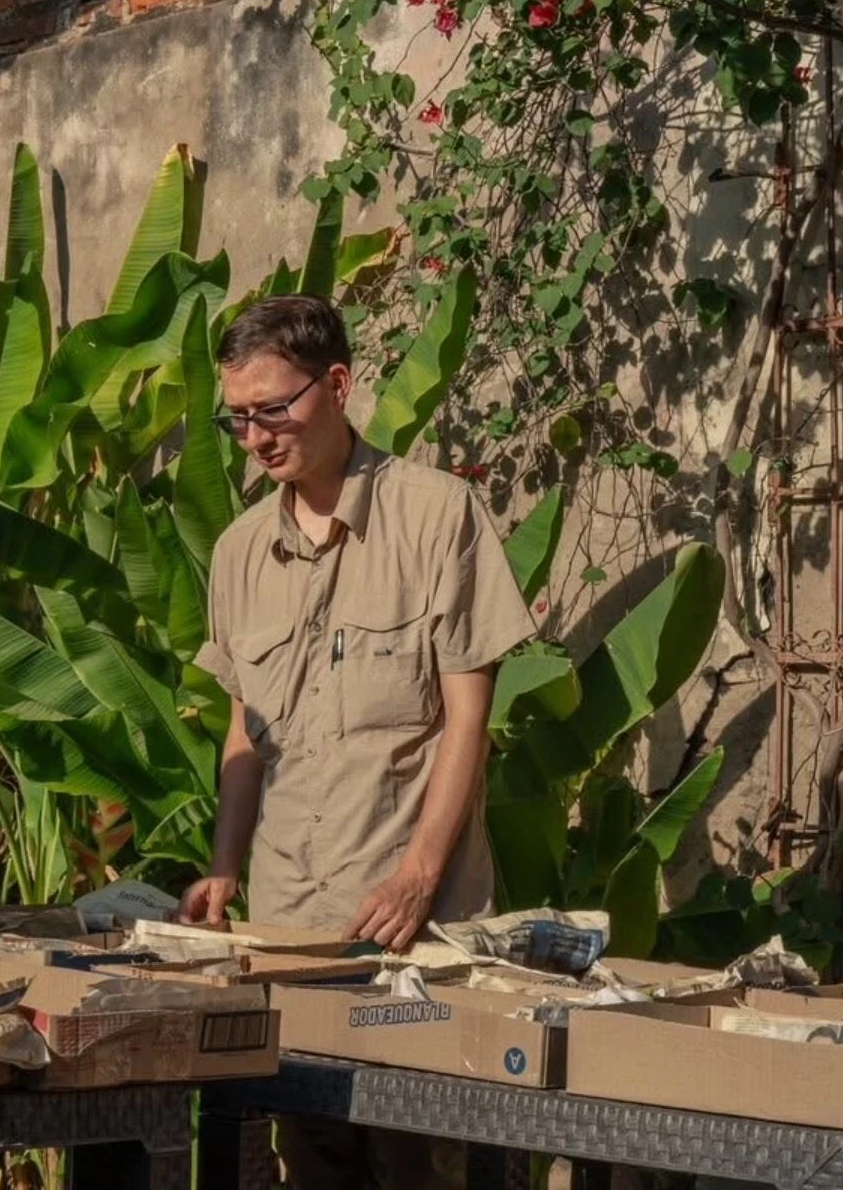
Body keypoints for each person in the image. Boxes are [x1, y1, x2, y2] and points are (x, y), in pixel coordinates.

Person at [182, 294, 535, 1189]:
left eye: (273, 409)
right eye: (238, 418)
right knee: (316, 1162)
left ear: (336, 385)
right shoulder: (237, 553)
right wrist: (224, 869)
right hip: (291, 937)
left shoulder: (438, 517)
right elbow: (244, 732)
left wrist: (418, 874)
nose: (255, 437)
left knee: (420, 1165)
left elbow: (469, 719)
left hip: (414, 945)